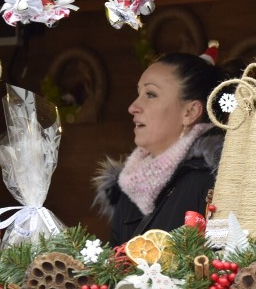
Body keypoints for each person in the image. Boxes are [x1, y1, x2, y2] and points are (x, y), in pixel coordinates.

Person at [94, 45, 230, 245]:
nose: (133, 107)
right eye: (138, 93)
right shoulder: (130, 184)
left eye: (150, 94)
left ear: (190, 112)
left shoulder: (217, 182)